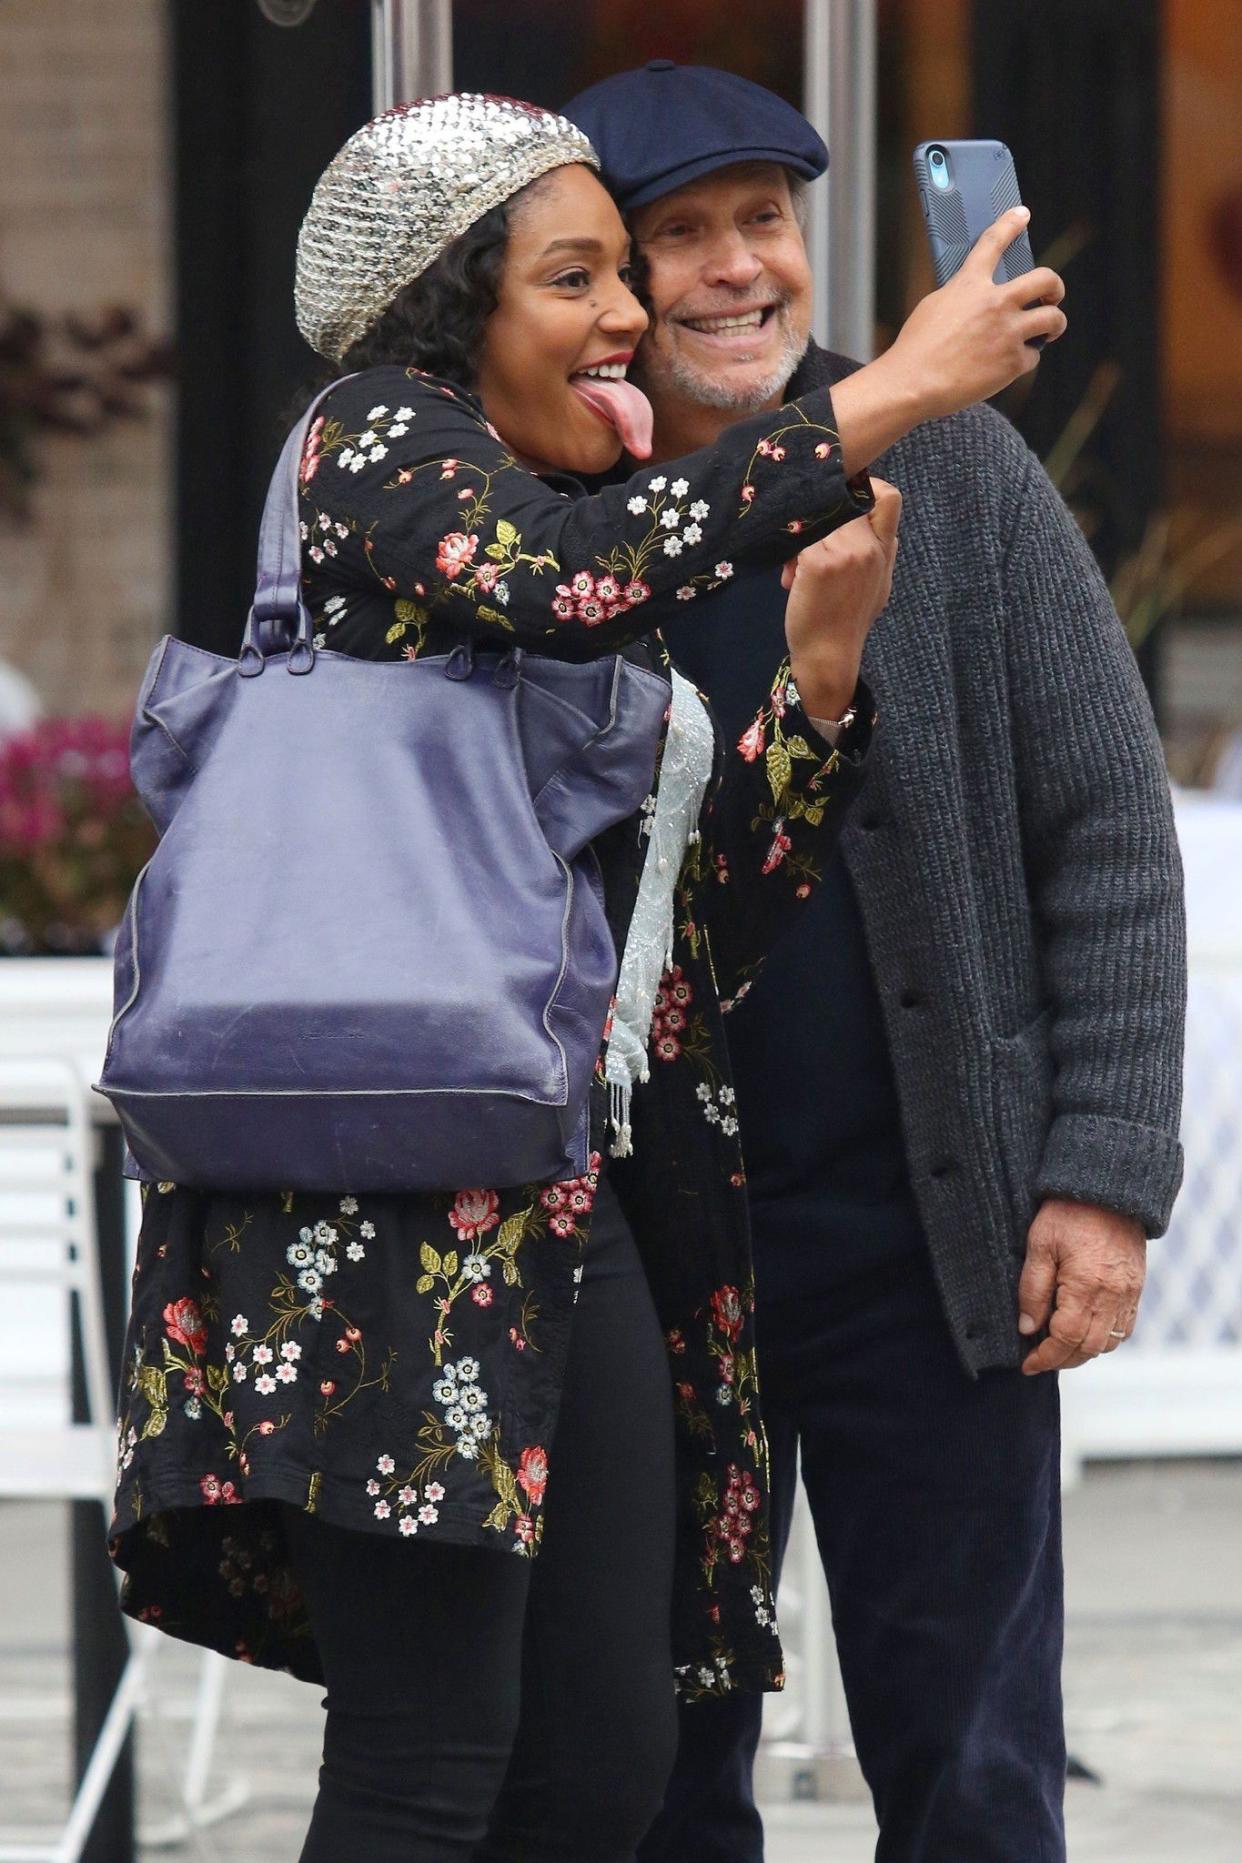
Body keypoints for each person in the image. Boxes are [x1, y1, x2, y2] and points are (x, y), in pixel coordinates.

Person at [107, 95, 1059, 1863]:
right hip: (372, 1194)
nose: (628, 312)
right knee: (427, 1765)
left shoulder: (587, 507)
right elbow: (550, 583)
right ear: (450, 302)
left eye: (623, 274)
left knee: (607, 1764)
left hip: (575, 1206)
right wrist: (902, 386)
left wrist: (822, 684)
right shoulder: (376, 447)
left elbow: (694, 941)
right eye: (578, 274)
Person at [566, 61, 1186, 1863]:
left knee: (971, 1762)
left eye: (759, 221)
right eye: (674, 237)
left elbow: (1109, 832)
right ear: (607, 275)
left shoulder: (955, 465)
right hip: (639, 1253)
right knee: (654, 1779)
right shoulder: (559, 517)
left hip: (936, 1241)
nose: (732, 270)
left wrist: (1100, 1179)